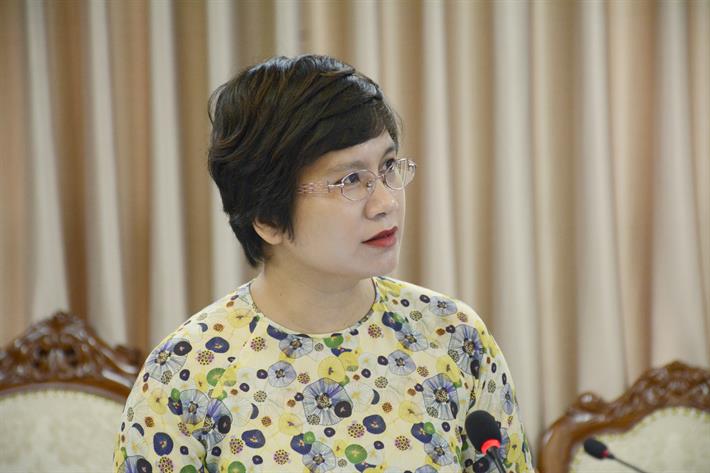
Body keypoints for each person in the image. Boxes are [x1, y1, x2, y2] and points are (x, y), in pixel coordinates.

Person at [113, 54, 534, 473]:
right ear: (268, 218)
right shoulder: (183, 374)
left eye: (388, 166)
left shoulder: (454, 336)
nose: (386, 202)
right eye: (350, 180)